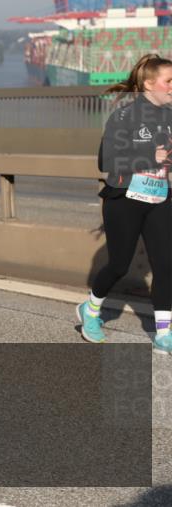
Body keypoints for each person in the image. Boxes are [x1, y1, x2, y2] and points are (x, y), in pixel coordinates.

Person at [79, 53, 172, 353]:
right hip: (124, 198)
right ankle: (91, 311)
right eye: (168, 81)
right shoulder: (124, 115)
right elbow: (105, 160)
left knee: (166, 265)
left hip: (160, 197)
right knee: (119, 265)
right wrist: (149, 157)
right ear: (148, 83)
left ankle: (164, 333)